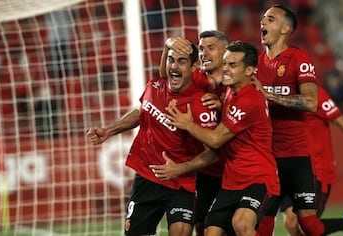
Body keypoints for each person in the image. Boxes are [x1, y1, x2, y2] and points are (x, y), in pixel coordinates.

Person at [87, 40, 219, 236]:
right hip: (147, 177)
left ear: (193, 67)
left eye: (182, 61)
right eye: (171, 60)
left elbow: (214, 153)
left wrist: (180, 168)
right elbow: (142, 112)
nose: (174, 66)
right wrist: (109, 130)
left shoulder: (202, 105)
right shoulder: (154, 86)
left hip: (180, 183)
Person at [151, 41, 280, 236]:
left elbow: (215, 140)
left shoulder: (249, 99)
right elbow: (166, 75)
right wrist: (168, 44)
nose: (225, 69)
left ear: (249, 71)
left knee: (242, 224)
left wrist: (187, 124)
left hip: (258, 179)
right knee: (209, 232)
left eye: (233, 65)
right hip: (231, 181)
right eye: (226, 63)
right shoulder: (230, 90)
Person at [253, 4, 343, 236]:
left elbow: (309, 102)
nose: (262, 22)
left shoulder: (299, 58)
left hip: (297, 158)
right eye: (263, 18)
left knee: (308, 225)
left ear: (286, 29)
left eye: (270, 19)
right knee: (262, 223)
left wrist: (268, 95)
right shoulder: (254, 65)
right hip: (267, 157)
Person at [279, 86, 343, 236]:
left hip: (318, 170)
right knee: (291, 223)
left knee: (307, 225)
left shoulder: (316, 94)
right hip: (291, 168)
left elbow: (342, 122)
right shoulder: (278, 92)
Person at [158, 30, 229, 236]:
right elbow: (166, 75)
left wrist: (224, 105)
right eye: (201, 48)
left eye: (211, 48)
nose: (204, 53)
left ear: (226, 53)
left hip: (235, 170)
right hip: (205, 170)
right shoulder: (197, 78)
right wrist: (168, 44)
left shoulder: (239, 81)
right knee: (201, 228)